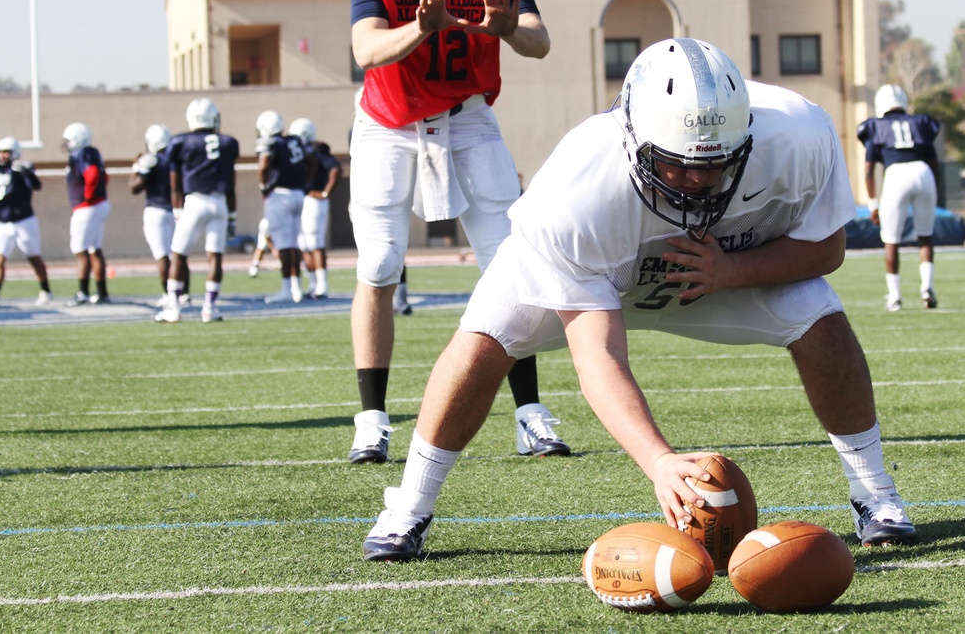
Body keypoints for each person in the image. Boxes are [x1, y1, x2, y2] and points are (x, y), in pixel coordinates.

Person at [361, 38, 918, 561]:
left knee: (821, 320)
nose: (695, 183)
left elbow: (826, 249)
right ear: (630, 134)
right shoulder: (576, 191)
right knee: (485, 339)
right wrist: (658, 460)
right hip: (599, 274)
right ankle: (409, 508)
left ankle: (877, 495)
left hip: (714, 271)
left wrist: (731, 270)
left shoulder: (801, 135)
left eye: (714, 165)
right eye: (676, 164)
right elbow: (598, 355)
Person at [326, 0, 567, 464]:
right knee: (378, 266)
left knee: (512, 263)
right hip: (389, 120)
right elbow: (365, 49)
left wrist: (510, 27)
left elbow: (540, 41)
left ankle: (531, 414)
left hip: (467, 116)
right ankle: (372, 420)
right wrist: (419, 28)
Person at [857, 84, 941, 312]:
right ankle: (927, 288)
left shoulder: (874, 126)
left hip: (895, 174)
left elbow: (868, 170)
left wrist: (873, 204)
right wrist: (937, 189)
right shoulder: (921, 122)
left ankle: (895, 296)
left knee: (891, 239)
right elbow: (934, 162)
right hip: (923, 172)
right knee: (925, 236)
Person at [156, 98, 239, 324]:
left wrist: (176, 210)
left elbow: (175, 184)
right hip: (219, 202)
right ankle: (209, 309)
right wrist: (232, 215)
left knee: (179, 254)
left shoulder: (180, 142)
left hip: (194, 201)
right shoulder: (227, 142)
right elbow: (231, 182)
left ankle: (173, 307)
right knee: (215, 257)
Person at [0, 137, 53, 308]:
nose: (2, 155)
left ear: (14, 153)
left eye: (6, 152)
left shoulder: (21, 169)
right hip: (3, 222)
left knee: (33, 257)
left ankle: (45, 290)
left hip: (24, 220)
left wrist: (25, 172)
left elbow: (36, 186)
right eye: (0, 152)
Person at [129, 124, 190, 308]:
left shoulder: (151, 160)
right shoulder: (177, 159)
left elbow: (134, 187)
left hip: (156, 211)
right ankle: (185, 294)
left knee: (163, 256)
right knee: (179, 255)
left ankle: (168, 294)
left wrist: (136, 166)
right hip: (178, 210)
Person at [255, 110, 311, 305]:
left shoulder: (272, 143)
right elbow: (311, 161)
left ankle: (287, 289)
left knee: (285, 246)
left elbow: (264, 165)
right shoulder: (294, 141)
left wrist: (263, 187)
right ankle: (296, 288)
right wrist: (305, 183)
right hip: (297, 194)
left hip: (280, 195)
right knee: (294, 244)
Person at [62, 122, 111, 305]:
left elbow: (92, 173)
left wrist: (88, 195)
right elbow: (104, 176)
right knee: (94, 249)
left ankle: (83, 292)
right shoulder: (93, 152)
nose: (66, 144)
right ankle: (102, 293)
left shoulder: (81, 153)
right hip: (99, 205)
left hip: (87, 207)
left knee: (80, 250)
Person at [292, 118, 341, 299]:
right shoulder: (299, 150)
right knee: (304, 244)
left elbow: (335, 169)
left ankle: (323, 286)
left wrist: (326, 192)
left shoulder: (316, 150)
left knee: (315, 243)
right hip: (304, 199)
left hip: (314, 200)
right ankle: (313, 285)